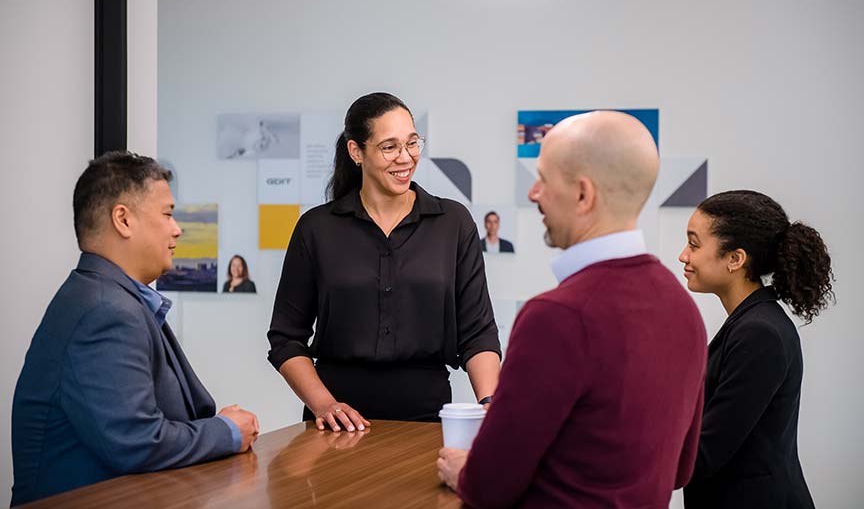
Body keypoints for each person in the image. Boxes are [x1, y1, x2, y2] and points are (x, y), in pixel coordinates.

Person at [437, 111, 708, 508]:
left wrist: (464, 472)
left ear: (583, 195)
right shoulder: (683, 309)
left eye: (543, 180)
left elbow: (488, 486)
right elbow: (681, 470)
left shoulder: (556, 318)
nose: (533, 194)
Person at [11, 152, 259, 505]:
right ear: (123, 220)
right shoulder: (104, 310)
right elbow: (137, 441)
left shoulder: (107, 297)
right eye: (168, 214)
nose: (177, 229)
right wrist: (226, 431)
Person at [267, 92, 501, 432]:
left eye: (412, 143)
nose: (405, 157)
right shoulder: (316, 228)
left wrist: (490, 404)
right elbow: (286, 338)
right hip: (337, 426)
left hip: (426, 421)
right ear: (356, 151)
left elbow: (478, 333)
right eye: (389, 147)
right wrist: (325, 404)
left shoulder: (453, 222)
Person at [680, 191, 833, 509]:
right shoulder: (751, 324)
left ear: (735, 259)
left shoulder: (759, 334)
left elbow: (705, 453)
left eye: (694, 244)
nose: (683, 256)